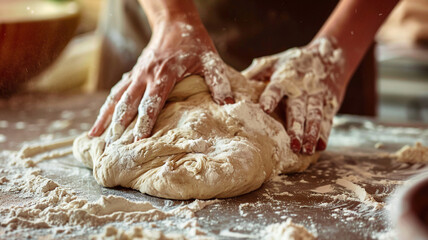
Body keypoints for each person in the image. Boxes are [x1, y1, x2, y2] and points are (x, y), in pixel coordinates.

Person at [88, 0, 398, 155]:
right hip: (156, 24)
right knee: (127, 141)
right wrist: (172, 20)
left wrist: (335, 51)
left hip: (325, 26)